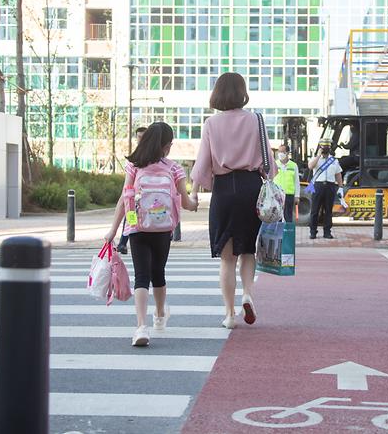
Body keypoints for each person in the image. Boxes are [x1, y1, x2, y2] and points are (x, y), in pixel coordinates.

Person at [191, 72, 277, 329]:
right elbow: (269, 166)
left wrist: (194, 191)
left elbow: (202, 162)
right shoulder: (256, 121)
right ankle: (247, 294)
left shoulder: (211, 124)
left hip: (224, 190)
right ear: (242, 92)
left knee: (227, 258)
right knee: (248, 250)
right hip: (252, 188)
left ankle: (229, 314)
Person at [104, 122, 197, 347]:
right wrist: (194, 200)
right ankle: (160, 315)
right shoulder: (174, 168)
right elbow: (186, 203)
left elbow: (123, 198)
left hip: (136, 227)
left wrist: (113, 231)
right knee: (158, 273)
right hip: (163, 229)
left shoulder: (134, 166)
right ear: (166, 146)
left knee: (142, 276)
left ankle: (140, 327)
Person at [117, 126, 148, 254]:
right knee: (130, 217)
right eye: (139, 137)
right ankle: (123, 243)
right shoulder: (134, 158)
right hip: (133, 196)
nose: (141, 139)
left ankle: (124, 242)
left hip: (146, 196)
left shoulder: (152, 155)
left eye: (143, 137)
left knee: (135, 218)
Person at [307, 138, 343, 240]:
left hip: (330, 186)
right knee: (315, 210)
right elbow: (310, 166)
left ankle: (327, 232)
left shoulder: (334, 160)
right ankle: (313, 231)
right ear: (320, 147)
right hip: (318, 186)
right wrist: (318, 155)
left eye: (327, 146)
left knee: (328, 211)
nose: (325, 148)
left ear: (330, 147)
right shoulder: (316, 159)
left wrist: (340, 187)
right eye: (323, 146)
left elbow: (338, 174)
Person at [274, 143, 301, 223]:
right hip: (277, 194)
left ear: (287, 153)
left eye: (282, 152)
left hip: (289, 194)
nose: (280, 154)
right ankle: (278, 234)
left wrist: (297, 196)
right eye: (279, 152)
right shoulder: (275, 164)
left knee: (288, 215)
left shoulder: (293, 165)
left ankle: (287, 233)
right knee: (277, 216)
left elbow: (296, 181)